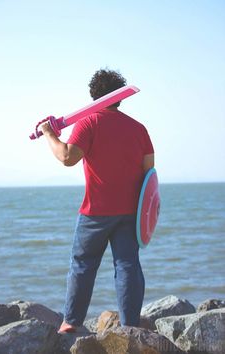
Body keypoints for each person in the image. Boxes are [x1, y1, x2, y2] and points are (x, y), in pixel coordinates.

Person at [41, 69, 154, 333]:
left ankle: (71, 321)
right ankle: (130, 327)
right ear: (120, 97)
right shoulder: (139, 129)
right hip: (131, 213)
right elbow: (150, 174)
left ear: (94, 96)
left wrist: (49, 134)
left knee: (82, 265)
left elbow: (68, 157)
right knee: (127, 266)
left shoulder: (89, 122)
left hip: (95, 211)